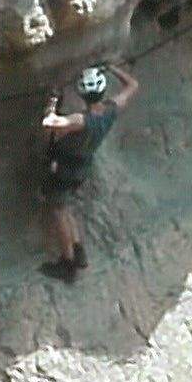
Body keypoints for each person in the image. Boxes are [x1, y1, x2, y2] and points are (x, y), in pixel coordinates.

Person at [38, 61, 137, 281]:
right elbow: (132, 85)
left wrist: (52, 101)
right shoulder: (110, 111)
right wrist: (111, 68)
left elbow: (49, 123)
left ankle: (68, 262)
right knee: (65, 206)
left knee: (58, 210)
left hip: (64, 168)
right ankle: (78, 249)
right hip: (82, 167)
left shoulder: (81, 120)